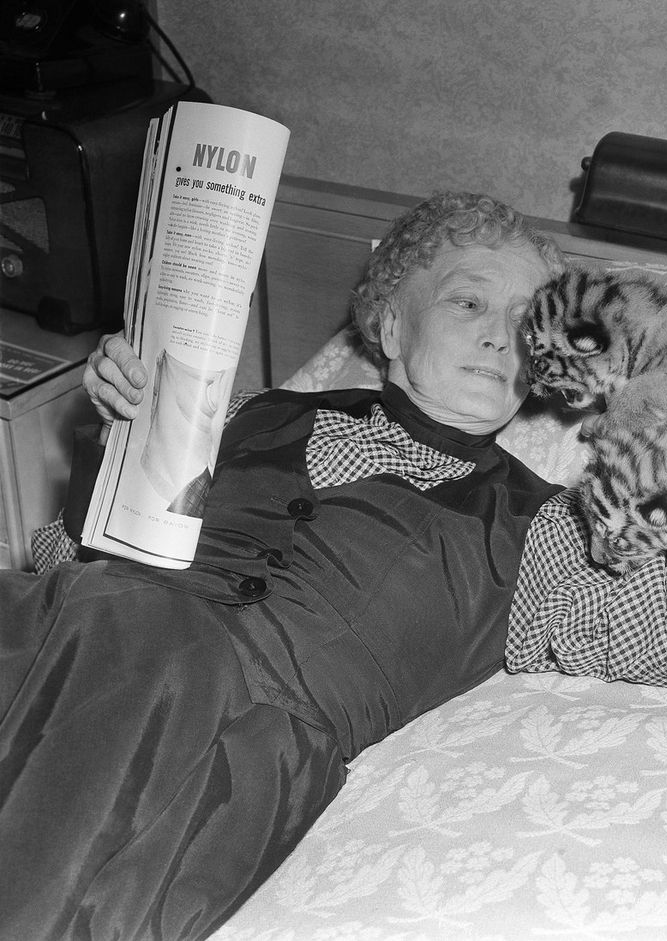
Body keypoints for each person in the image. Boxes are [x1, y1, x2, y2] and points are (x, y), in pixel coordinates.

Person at [1, 192, 570, 940]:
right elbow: (65, 556)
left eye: (529, 322)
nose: (503, 338)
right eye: (470, 301)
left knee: (159, 638)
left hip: (228, 741)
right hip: (71, 626)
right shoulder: (246, 411)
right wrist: (123, 441)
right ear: (392, 325)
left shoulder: (550, 529)